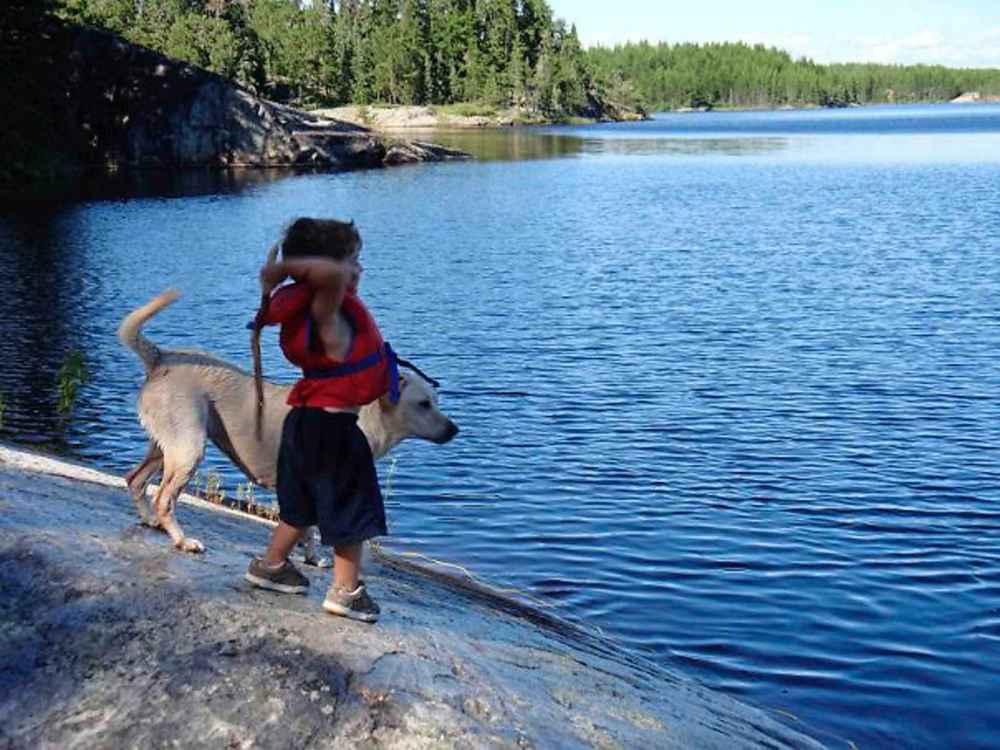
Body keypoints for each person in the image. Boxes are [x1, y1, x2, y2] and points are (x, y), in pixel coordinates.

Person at [244, 217, 397, 623]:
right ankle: (346, 591)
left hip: (304, 423)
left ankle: (271, 565)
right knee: (350, 511)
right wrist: (296, 269)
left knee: (301, 507)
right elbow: (326, 275)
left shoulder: (313, 303)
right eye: (353, 261)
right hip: (333, 430)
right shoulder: (326, 302)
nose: (360, 269)